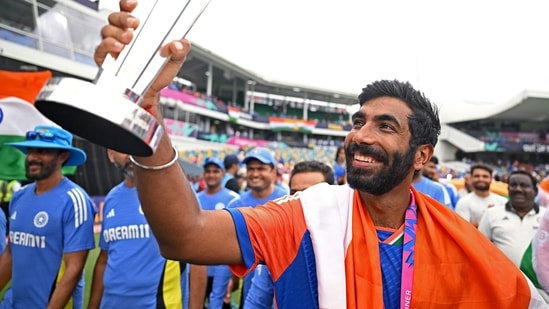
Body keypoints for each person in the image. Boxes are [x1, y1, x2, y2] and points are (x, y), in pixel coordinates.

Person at [96, 4, 545, 307]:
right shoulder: (304, 216)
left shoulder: (455, 237)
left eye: (384, 126)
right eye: (358, 122)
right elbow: (186, 237)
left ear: (422, 156)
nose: (360, 136)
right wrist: (149, 111)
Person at [88, 149, 207, 309]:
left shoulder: (174, 192)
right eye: (123, 148)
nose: (131, 153)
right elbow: (104, 259)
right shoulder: (111, 198)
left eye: (134, 145)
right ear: (111, 155)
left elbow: (198, 259)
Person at [0, 125, 95, 308]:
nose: (33, 157)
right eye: (31, 150)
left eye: (43, 151)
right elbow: (11, 253)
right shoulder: (19, 196)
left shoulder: (74, 200)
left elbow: (74, 269)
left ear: (63, 156)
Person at [245, 160, 336, 308]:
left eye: (310, 193)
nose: (301, 201)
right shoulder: (278, 242)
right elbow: (257, 301)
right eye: (294, 194)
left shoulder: (348, 239)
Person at [226, 147, 287, 308]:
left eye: (261, 168)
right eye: (251, 169)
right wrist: (231, 280)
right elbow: (229, 250)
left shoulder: (287, 200)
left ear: (273, 172)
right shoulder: (235, 206)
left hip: (282, 283)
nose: (254, 173)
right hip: (250, 285)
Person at [478, 170, 546, 267]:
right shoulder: (491, 214)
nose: (518, 189)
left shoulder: (546, 216)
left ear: (535, 191)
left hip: (538, 280)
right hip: (502, 278)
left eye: (524, 185)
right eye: (513, 185)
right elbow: (480, 249)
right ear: (508, 189)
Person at [196, 157, 239, 309]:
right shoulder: (194, 198)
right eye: (208, 171)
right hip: (198, 267)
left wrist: (234, 275)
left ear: (222, 174)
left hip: (223, 267)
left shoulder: (233, 199)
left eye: (216, 171)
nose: (211, 175)